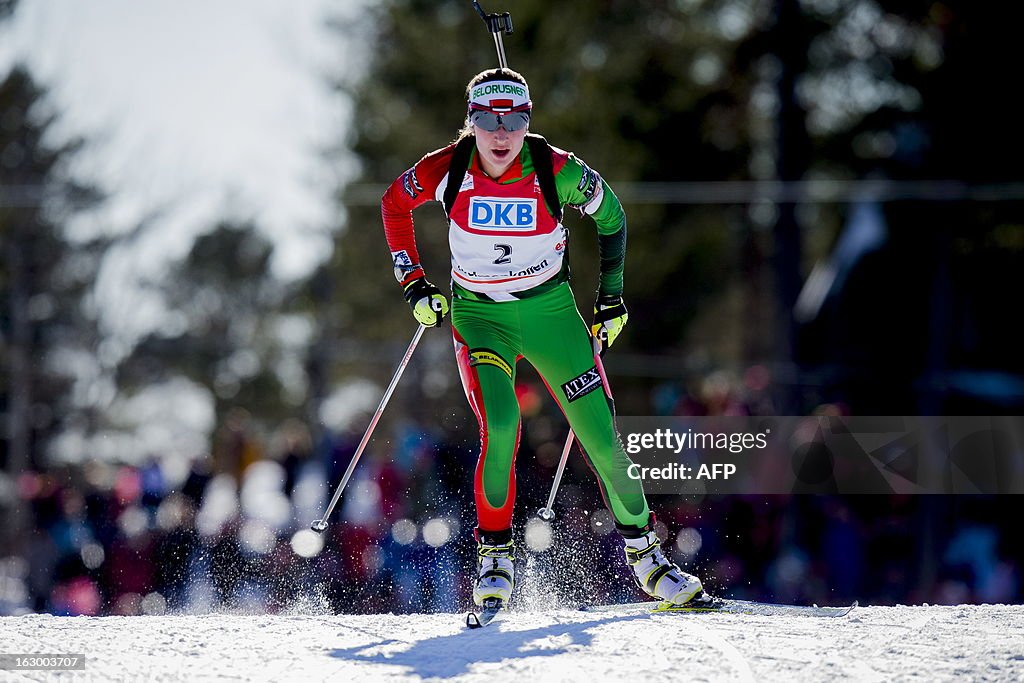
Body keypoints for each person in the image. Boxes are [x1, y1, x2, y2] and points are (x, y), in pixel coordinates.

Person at [381, 67, 705, 610]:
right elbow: (393, 205)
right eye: (487, 120)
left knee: (601, 436)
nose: (501, 134)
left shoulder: (556, 170)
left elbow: (612, 216)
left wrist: (611, 299)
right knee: (502, 423)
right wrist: (413, 282)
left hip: (551, 314)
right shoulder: (447, 168)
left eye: (513, 119)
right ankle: (495, 556)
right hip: (482, 317)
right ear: (472, 121)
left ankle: (649, 558)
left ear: (528, 120)